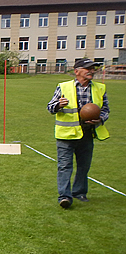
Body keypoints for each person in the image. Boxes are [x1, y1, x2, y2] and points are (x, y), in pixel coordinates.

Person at [46, 58, 110, 208]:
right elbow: (50, 107)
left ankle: (79, 192)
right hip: (66, 135)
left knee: (83, 166)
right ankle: (64, 197)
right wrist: (58, 105)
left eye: (93, 68)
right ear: (76, 71)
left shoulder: (100, 88)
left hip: (87, 134)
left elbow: (105, 109)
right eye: (88, 68)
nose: (91, 71)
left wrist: (100, 119)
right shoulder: (63, 87)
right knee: (64, 166)